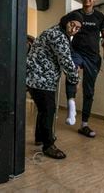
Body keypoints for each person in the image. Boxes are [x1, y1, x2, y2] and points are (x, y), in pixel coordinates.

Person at [26, 10, 83, 159]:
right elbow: (66, 61)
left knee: (44, 110)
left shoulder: (58, 33)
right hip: (41, 79)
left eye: (77, 28)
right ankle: (48, 145)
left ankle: (40, 138)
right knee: (48, 110)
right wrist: (76, 80)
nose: (74, 29)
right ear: (66, 20)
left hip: (39, 78)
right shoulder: (58, 35)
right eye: (73, 25)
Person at [65, 0, 104, 138]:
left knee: (89, 92)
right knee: (73, 69)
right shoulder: (74, 14)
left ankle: (84, 124)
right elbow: (66, 32)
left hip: (93, 57)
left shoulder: (100, 17)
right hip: (76, 52)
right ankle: (71, 103)